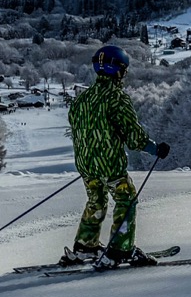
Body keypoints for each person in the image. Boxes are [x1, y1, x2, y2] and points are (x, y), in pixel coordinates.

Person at [63, 44, 169, 268]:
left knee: (96, 200)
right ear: (118, 70)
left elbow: (77, 129)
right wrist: (155, 148)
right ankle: (121, 249)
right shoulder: (116, 98)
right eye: (124, 70)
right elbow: (134, 137)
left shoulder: (81, 100)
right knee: (126, 199)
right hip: (109, 164)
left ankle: (85, 246)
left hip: (86, 165)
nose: (125, 74)